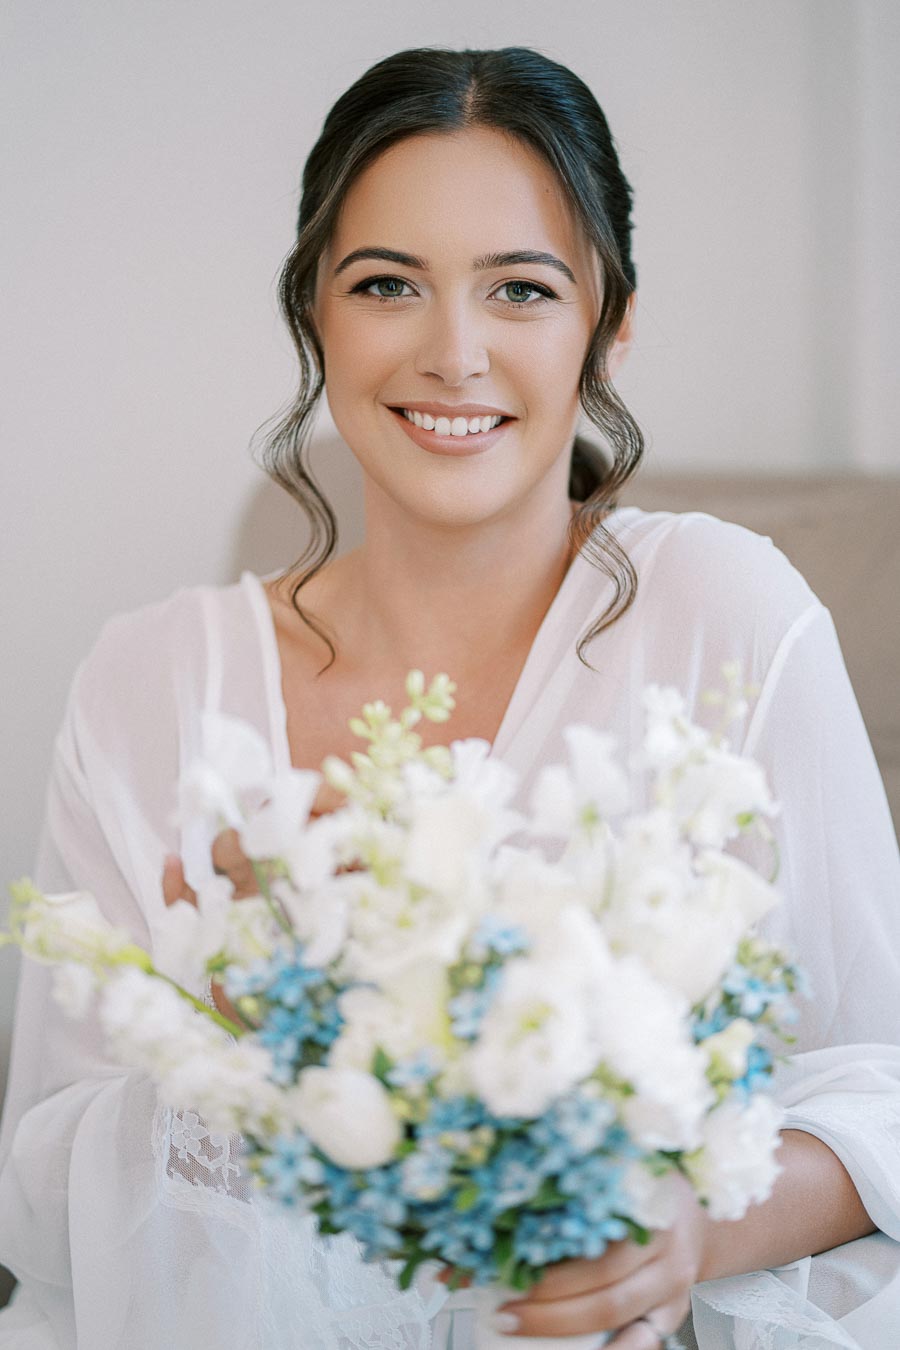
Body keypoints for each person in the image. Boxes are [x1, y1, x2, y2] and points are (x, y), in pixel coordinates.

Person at [1, 45, 898, 1350]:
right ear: (316, 310)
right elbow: (36, 1203)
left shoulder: (726, 615)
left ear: (612, 321)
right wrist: (225, 1062)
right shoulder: (153, 687)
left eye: (522, 290)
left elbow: (884, 1073)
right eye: (388, 285)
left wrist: (690, 1224)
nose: (454, 352)